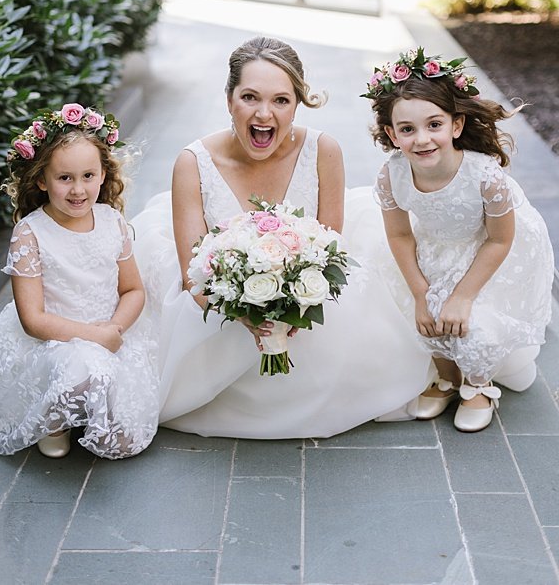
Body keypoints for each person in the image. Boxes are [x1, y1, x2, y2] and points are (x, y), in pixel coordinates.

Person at [131, 36, 431, 439]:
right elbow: (191, 277)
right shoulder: (192, 163)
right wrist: (247, 316)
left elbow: (330, 252)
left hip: (305, 298)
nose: (264, 114)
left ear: (299, 102)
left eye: (281, 100)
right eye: (250, 97)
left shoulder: (324, 150)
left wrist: (295, 309)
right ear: (229, 99)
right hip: (221, 303)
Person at [363, 49, 553, 432]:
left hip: (493, 251)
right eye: (407, 129)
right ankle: (447, 379)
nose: (422, 139)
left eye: (434, 124)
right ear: (391, 134)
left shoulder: (485, 177)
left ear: (456, 124)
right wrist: (419, 292)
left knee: (469, 323)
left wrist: (464, 296)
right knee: (428, 316)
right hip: (436, 244)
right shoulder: (391, 176)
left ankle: (478, 385)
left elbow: (500, 241)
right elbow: (399, 233)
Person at [0, 103, 162, 459]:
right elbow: (33, 320)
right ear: (42, 180)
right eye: (64, 178)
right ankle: (53, 419)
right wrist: (94, 336)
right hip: (52, 339)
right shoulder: (31, 233)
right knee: (81, 371)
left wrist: (114, 328)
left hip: (109, 330)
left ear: (103, 175)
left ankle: (82, 407)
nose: (78, 189)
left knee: (124, 440)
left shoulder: (111, 222)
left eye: (88, 176)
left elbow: (132, 289)